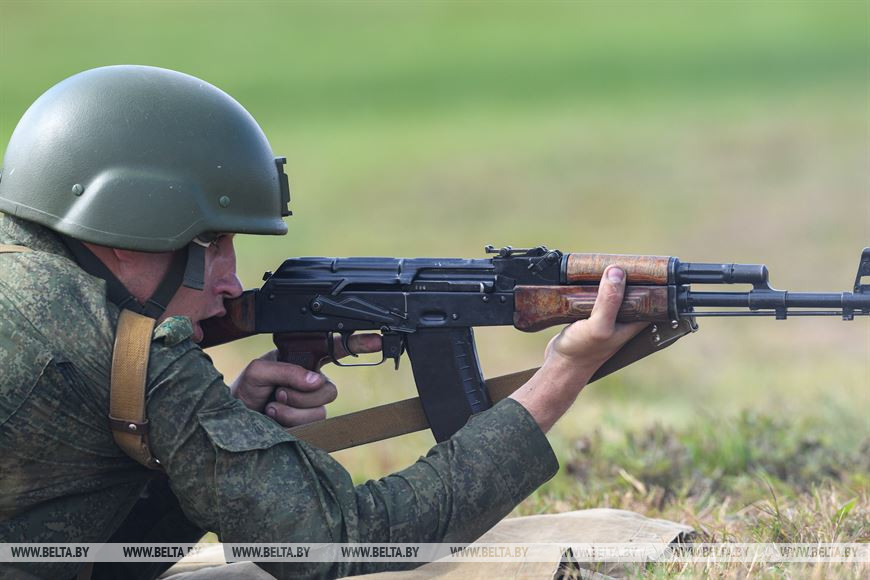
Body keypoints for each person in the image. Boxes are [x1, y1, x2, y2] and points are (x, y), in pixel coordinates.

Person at [0, 66, 645, 580]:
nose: (228, 280)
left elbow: (81, 551)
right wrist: (563, 374)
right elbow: (343, 541)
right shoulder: (135, 354)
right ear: (127, 228)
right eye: (211, 244)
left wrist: (213, 434)